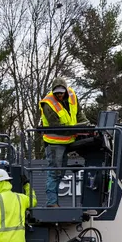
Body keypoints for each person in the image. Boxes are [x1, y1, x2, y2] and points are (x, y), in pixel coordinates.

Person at [39, 79, 87, 207]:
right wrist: (77, 129)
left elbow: (79, 113)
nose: (59, 95)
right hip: (54, 142)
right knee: (54, 171)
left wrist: (86, 125)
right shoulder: (48, 104)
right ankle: (51, 203)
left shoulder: (72, 96)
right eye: (56, 93)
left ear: (66, 90)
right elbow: (57, 127)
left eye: (61, 92)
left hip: (68, 140)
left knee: (61, 171)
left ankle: (53, 202)